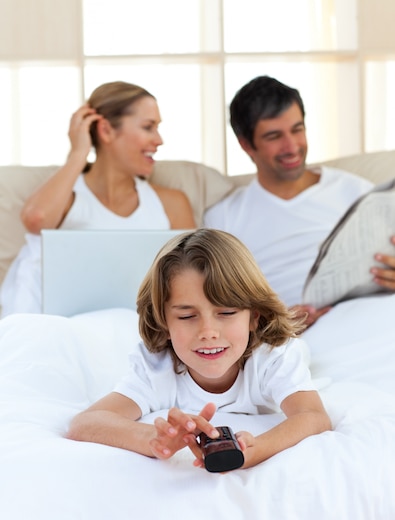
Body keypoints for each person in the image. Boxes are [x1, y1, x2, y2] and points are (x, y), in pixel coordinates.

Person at [67, 229, 331, 470]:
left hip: (274, 342)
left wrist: (258, 449)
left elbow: (313, 416)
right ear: (164, 322)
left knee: (296, 338)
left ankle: (301, 317)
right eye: (186, 316)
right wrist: (154, 439)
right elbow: (85, 423)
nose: (208, 332)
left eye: (226, 312)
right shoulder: (156, 367)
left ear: (254, 316)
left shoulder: (275, 354)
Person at [204, 75, 395, 327]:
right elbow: (217, 308)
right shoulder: (224, 219)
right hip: (296, 333)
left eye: (297, 129)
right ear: (246, 145)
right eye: (274, 136)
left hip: (376, 311)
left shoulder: (357, 192)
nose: (292, 146)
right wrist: (275, 323)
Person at [0, 81, 196, 316]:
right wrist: (78, 153)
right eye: (148, 127)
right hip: (71, 326)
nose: (159, 140)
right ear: (106, 131)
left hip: (140, 327)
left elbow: (191, 279)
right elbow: (36, 219)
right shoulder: (68, 200)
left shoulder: (171, 203)